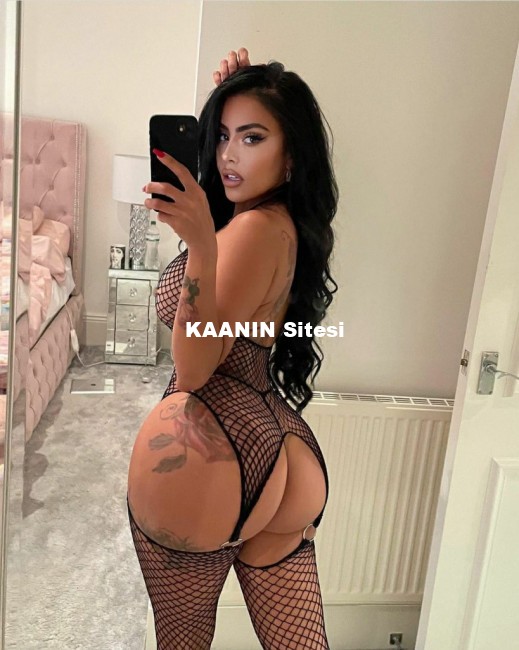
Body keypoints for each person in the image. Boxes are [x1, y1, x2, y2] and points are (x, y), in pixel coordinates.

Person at [127, 47, 339, 650]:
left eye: (252, 138)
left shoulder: (248, 231)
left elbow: (194, 368)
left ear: (291, 156)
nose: (227, 154)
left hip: (212, 448)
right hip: (280, 443)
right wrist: (233, 99)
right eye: (221, 135)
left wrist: (200, 245)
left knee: (183, 639)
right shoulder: (277, 222)